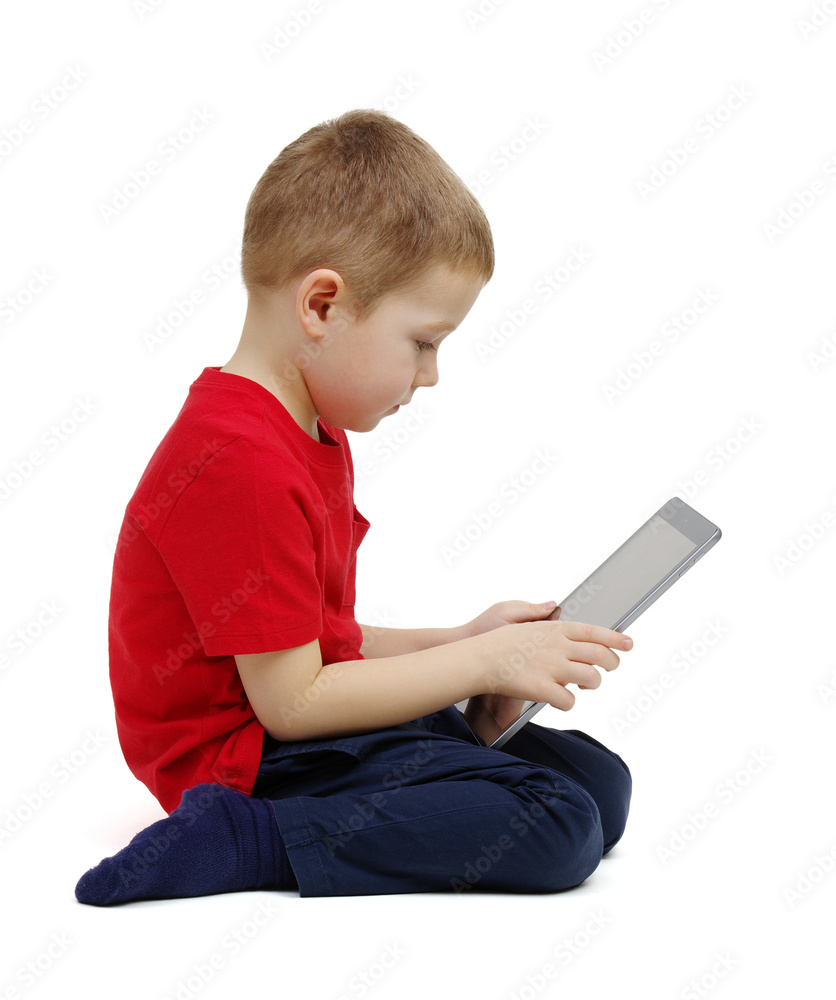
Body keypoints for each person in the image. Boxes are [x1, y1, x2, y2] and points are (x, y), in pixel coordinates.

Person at [75, 109, 633, 904]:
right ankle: (246, 837)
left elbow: (315, 640)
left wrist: (460, 641)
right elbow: (294, 701)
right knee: (557, 823)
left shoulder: (307, 430)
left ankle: (430, 775)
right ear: (323, 306)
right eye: (424, 342)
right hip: (250, 760)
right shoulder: (240, 462)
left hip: (298, 729)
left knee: (600, 785)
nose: (431, 374)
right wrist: (482, 665)